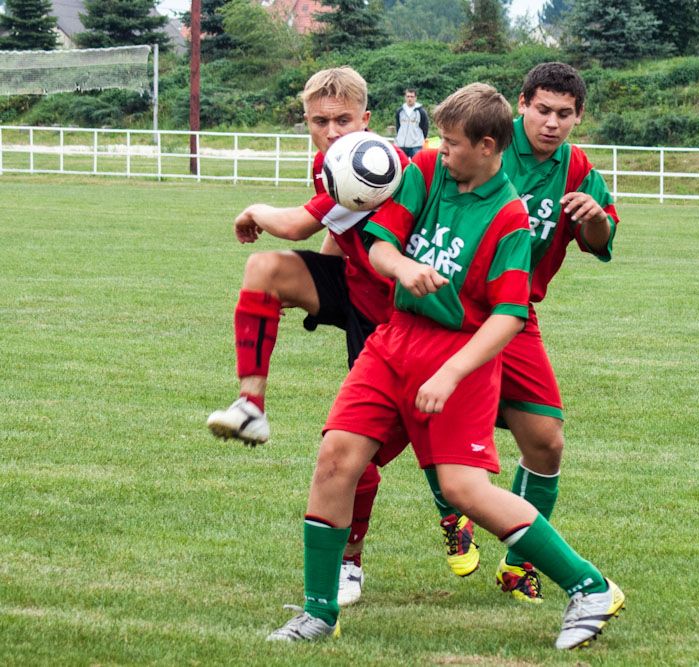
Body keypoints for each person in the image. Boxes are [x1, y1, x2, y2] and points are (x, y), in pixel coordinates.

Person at [265, 83, 624, 650]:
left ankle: (591, 586)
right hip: (393, 341)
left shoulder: (509, 218)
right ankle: (318, 613)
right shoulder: (427, 171)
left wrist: (451, 373)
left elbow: (508, 316)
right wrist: (403, 268)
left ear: (486, 147)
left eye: (452, 143)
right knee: (336, 457)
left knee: (464, 488)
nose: (438, 149)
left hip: (459, 352)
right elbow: (380, 244)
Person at [343, 62, 621, 604]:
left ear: (578, 117)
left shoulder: (576, 167)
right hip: (439, 317)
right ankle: (449, 514)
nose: (552, 123)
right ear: (521, 105)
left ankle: (519, 563)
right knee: (406, 431)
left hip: (510, 317)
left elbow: (602, 238)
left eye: (565, 114)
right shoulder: (476, 143)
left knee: (546, 441)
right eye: (542, 109)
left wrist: (592, 218)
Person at [204, 66, 408, 606]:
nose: (334, 131)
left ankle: (351, 562)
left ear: (367, 120)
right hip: (360, 293)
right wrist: (322, 291)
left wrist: (253, 210)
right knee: (266, 271)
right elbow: (340, 233)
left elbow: (297, 223)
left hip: (404, 321)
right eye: (321, 121)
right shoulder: (328, 163)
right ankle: (250, 404)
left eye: (344, 119)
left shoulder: (377, 161)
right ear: (308, 123)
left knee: (358, 453)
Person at [394, 88, 429, 158]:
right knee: (401, 166)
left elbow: (425, 127)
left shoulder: (421, 112)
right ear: (405, 97)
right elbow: (398, 126)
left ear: (415, 98)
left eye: (412, 96)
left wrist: (421, 139)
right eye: (408, 96)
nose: (409, 99)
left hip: (416, 145)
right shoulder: (400, 111)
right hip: (401, 145)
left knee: (416, 166)